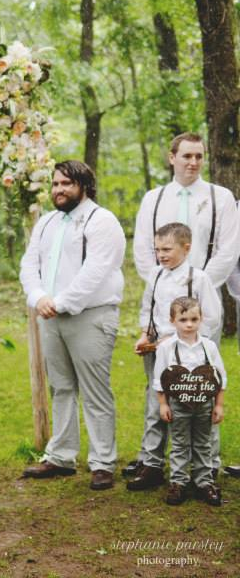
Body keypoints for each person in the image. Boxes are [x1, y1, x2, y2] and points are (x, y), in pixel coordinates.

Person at [129, 132, 238, 480]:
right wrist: (165, 288)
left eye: (199, 156)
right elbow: (145, 251)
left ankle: (204, 465)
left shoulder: (220, 197)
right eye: (186, 156)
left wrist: (194, 288)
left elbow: (228, 251)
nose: (193, 162)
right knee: (159, 387)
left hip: (200, 309)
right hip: (161, 307)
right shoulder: (155, 198)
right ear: (172, 157)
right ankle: (153, 462)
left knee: (201, 385)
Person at [19, 160, 124, 491]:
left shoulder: (101, 220)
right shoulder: (47, 222)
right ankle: (61, 456)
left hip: (90, 315)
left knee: (95, 389)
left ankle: (103, 461)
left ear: (84, 186)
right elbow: (29, 263)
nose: (59, 190)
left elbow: (96, 271)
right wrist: (37, 297)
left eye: (66, 184)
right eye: (55, 184)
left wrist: (59, 303)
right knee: (61, 387)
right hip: (49, 315)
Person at [127, 223, 220, 492]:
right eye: (157, 249)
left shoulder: (198, 278)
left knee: (198, 406)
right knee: (156, 405)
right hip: (157, 352)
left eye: (167, 249)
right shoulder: (156, 275)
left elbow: (211, 319)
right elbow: (148, 309)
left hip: (188, 357)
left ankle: (206, 465)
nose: (161, 255)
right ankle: (152, 464)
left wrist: (178, 339)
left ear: (186, 248)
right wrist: (145, 335)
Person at [153, 297, 226, 506]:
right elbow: (159, 379)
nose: (189, 324)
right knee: (179, 443)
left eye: (194, 319)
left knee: (204, 443)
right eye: (183, 319)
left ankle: (204, 482)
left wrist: (219, 405)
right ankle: (178, 482)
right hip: (178, 404)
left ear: (201, 319)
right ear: (172, 320)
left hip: (204, 403)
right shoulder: (166, 348)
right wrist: (163, 404)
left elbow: (220, 378)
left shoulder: (209, 347)